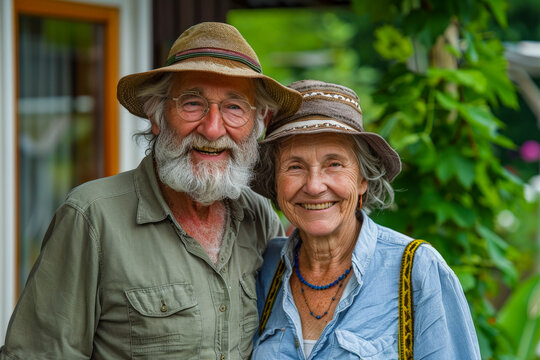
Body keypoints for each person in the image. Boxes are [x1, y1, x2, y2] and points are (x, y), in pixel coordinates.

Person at [0, 22, 302, 359]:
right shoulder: (92, 217)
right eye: (192, 103)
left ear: (257, 122)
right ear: (157, 115)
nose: (213, 129)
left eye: (234, 107)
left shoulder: (259, 217)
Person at [251, 80, 481, 359]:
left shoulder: (417, 269)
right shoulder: (267, 266)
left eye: (333, 163)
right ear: (275, 182)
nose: (313, 186)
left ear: (362, 179)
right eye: (295, 166)